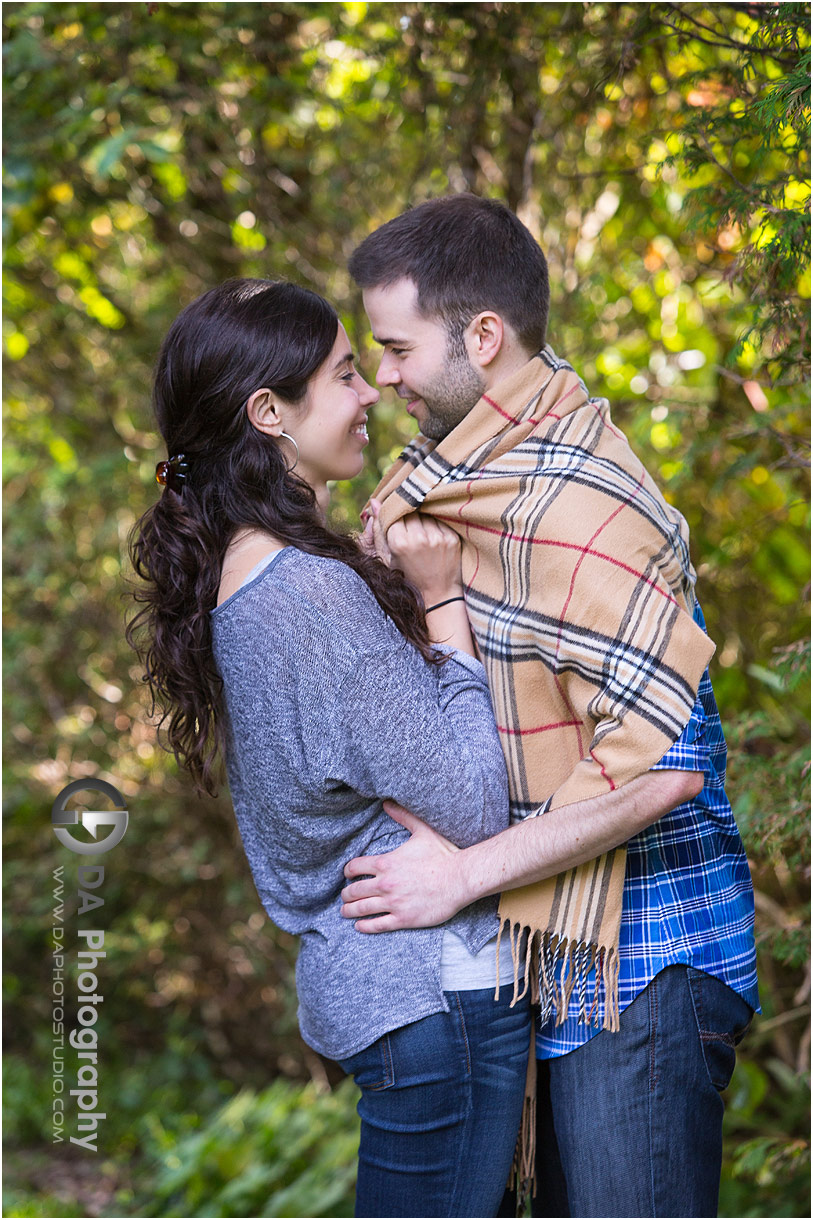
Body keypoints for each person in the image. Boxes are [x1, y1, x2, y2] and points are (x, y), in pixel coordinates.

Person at [340, 195, 759, 1218]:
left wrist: (462, 875)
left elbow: (666, 765)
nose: (383, 375)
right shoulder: (457, 484)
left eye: (395, 348)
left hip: (647, 961)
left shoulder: (583, 510)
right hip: (565, 953)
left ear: (483, 337)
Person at [127, 277, 539, 1219]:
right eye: (345, 375)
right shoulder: (308, 597)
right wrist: (441, 606)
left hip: (385, 994)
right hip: (433, 992)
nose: (369, 396)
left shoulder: (245, 575)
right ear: (268, 412)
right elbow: (474, 803)